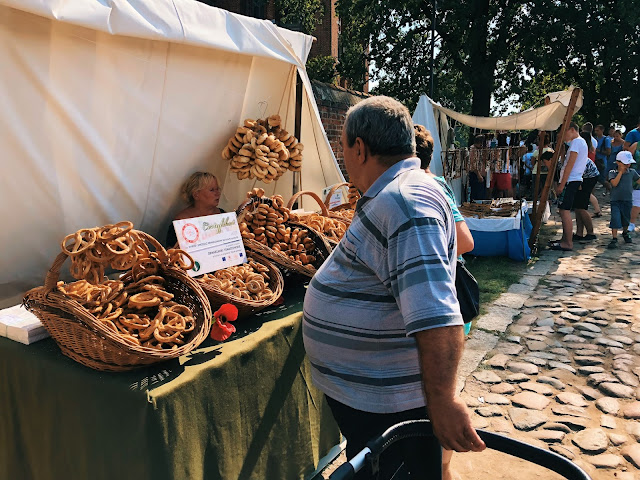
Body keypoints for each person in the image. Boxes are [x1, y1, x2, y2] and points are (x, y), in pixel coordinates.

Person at [303, 96, 485, 480]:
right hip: (379, 402)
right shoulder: (402, 191)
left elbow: (436, 313)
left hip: (394, 406)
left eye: (343, 148)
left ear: (359, 148)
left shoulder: (404, 201)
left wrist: (443, 400)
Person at [550, 122, 588, 251]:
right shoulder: (578, 143)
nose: (561, 136)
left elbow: (570, 166)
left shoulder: (577, 142)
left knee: (564, 210)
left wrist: (561, 184)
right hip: (572, 180)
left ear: (571, 130)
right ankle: (565, 238)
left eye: (563, 133)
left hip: (570, 181)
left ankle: (568, 242)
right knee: (563, 210)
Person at [166, 172, 224, 247]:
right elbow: (171, 253)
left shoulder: (223, 215)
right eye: (212, 190)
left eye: (217, 189)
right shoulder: (180, 222)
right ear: (196, 195)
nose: (218, 193)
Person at [607, 151, 639, 248]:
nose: (627, 165)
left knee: (626, 219)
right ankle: (614, 237)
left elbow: (638, 180)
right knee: (615, 219)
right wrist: (620, 172)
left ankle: (625, 233)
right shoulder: (612, 173)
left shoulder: (632, 172)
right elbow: (614, 184)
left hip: (627, 200)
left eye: (628, 163)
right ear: (618, 162)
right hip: (616, 200)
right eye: (625, 163)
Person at [573, 132, 598, 241]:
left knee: (581, 207)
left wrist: (579, 184)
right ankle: (579, 233)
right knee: (577, 207)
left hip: (588, 177)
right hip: (584, 176)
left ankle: (590, 232)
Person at [594, 124, 612, 194]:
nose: (596, 132)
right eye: (595, 130)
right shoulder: (595, 139)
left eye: (597, 130)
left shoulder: (606, 140)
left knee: (602, 179)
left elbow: (608, 152)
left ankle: (611, 190)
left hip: (602, 162)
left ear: (602, 130)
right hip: (595, 160)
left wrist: (599, 151)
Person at [468, 134, 487, 200]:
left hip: (481, 174)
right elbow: (473, 163)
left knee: (481, 194)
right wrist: (478, 175)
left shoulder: (480, 149)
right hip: (476, 175)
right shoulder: (473, 149)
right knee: (477, 194)